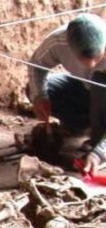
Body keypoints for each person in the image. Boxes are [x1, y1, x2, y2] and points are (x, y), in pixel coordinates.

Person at [28, 13, 106, 173]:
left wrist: (100, 152)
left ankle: (97, 142)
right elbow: (36, 64)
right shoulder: (59, 41)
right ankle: (79, 125)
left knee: (99, 80)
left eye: (97, 58)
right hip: (83, 89)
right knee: (35, 89)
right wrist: (40, 96)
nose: (90, 65)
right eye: (83, 58)